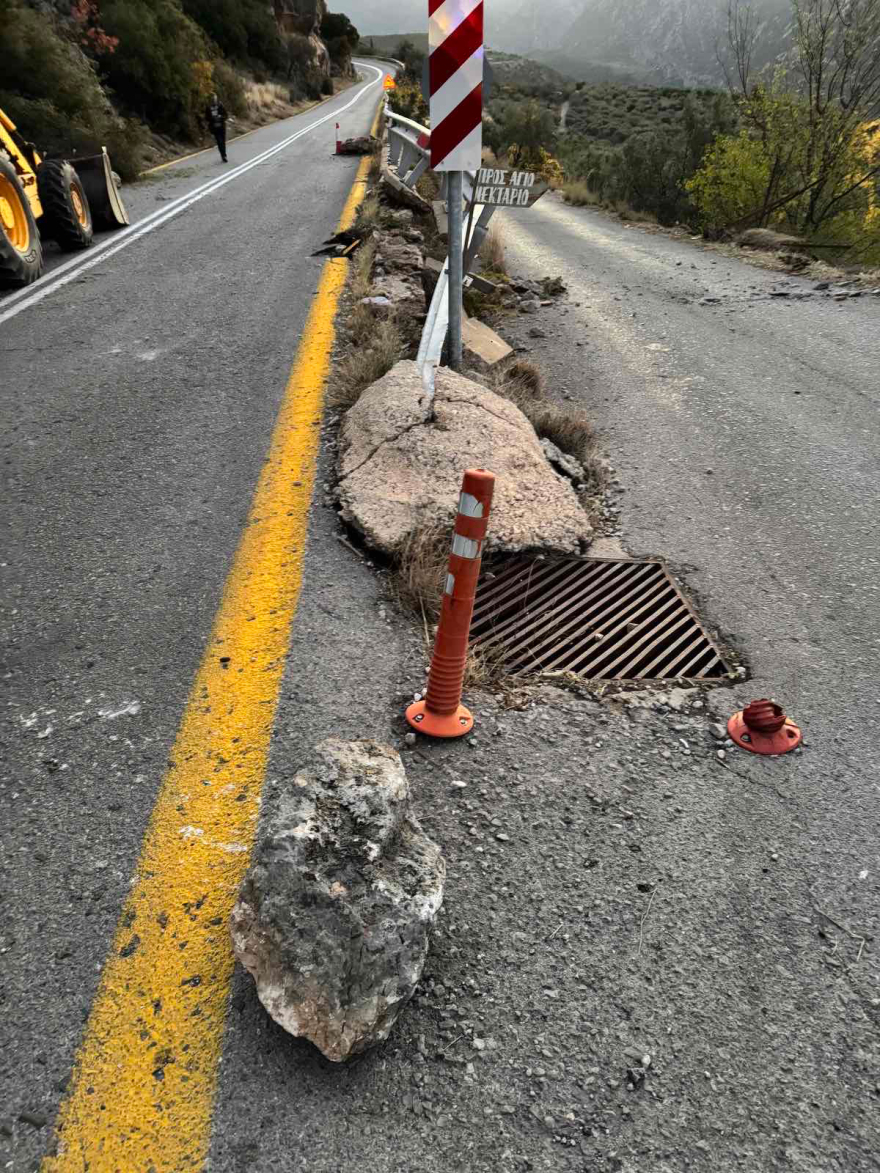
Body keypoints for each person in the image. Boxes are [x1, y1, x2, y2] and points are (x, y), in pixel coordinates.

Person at [205, 93, 228, 163]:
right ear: (211, 100)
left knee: (223, 142)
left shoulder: (220, 105)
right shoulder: (208, 108)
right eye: (212, 99)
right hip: (214, 128)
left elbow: (226, 115)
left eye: (215, 99)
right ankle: (223, 155)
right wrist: (212, 119)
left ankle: (224, 155)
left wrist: (221, 117)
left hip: (222, 127)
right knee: (219, 142)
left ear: (216, 99)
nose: (214, 100)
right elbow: (206, 118)